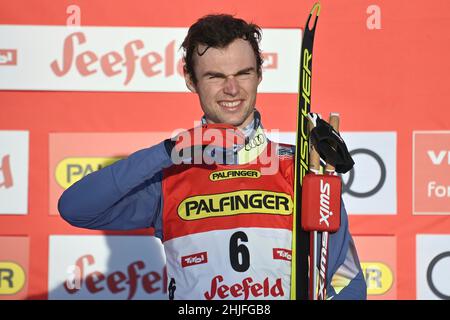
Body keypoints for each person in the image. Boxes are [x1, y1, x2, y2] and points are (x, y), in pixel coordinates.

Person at [58, 14, 367, 300]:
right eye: (215, 76)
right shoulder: (170, 175)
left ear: (260, 73)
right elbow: (75, 208)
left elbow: (348, 280)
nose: (231, 89)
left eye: (243, 73)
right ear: (190, 80)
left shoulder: (301, 169)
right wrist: (170, 151)